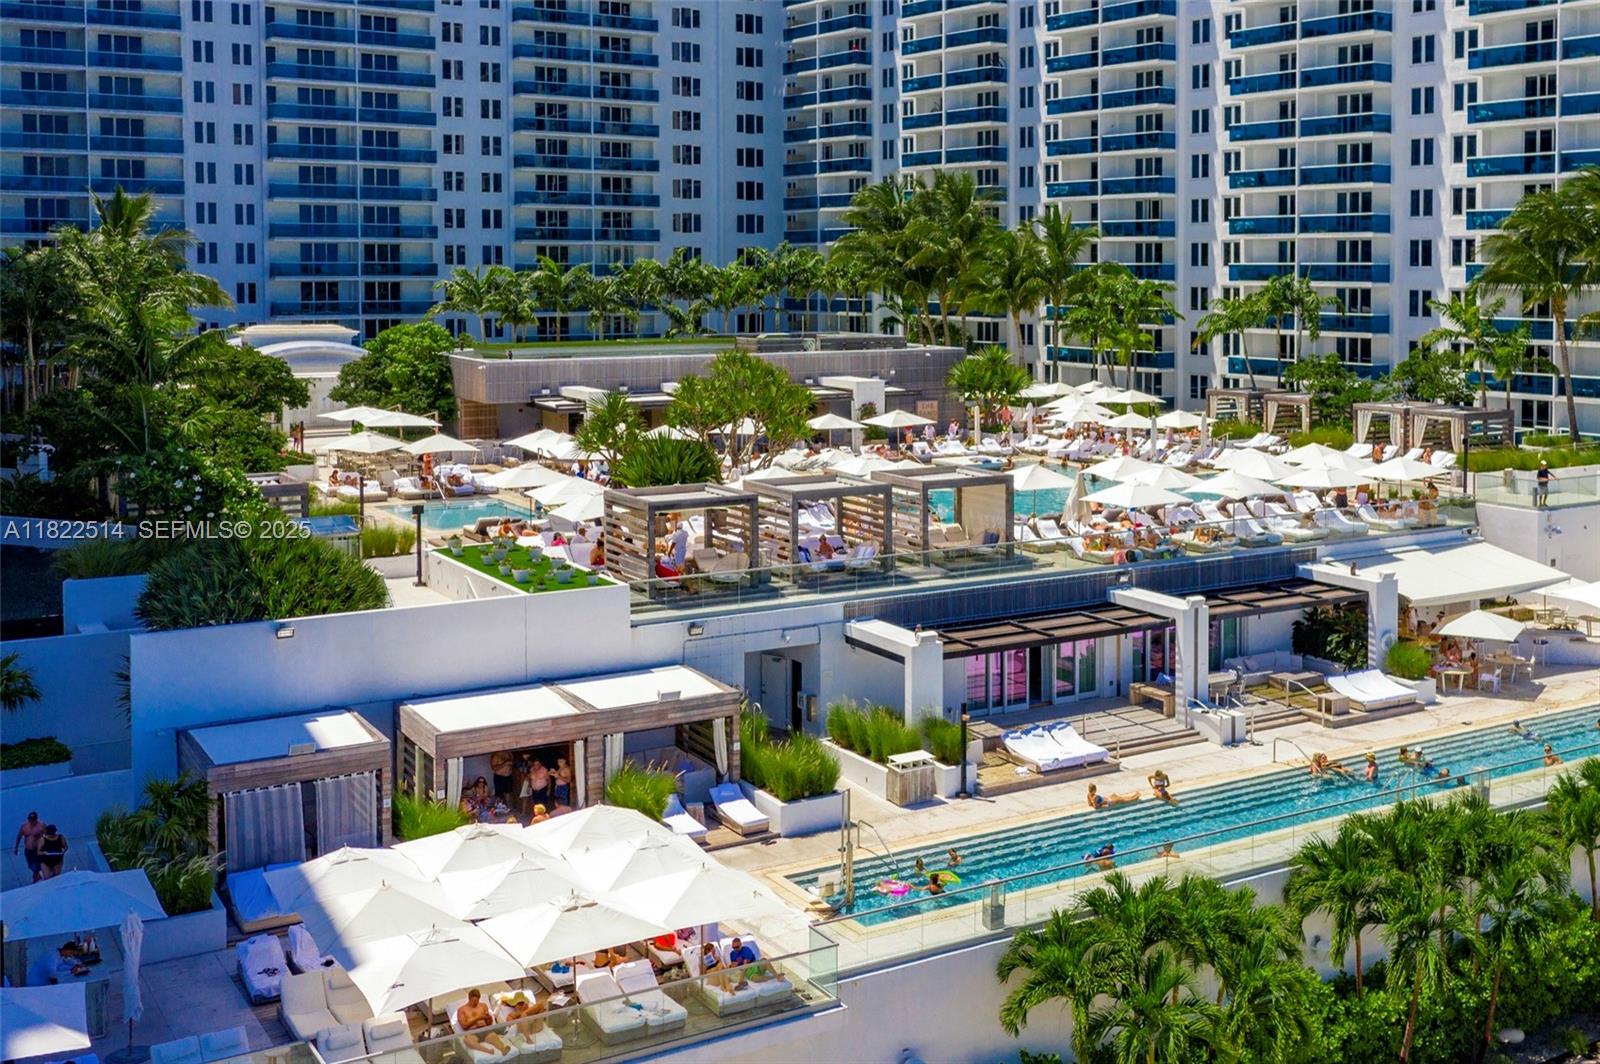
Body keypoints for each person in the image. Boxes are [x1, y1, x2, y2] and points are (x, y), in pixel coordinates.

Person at [457, 990, 514, 1057]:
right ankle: (488, 1051)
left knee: (493, 1037)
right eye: (474, 1001)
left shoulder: (483, 1006)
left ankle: (503, 1049)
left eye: (477, 1000)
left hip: (485, 1030)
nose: (476, 1003)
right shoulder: (462, 1010)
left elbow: (489, 1023)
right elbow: (464, 1026)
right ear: (469, 998)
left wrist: (488, 1018)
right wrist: (478, 1018)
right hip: (472, 1032)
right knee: (468, 1041)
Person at [13, 811, 45, 883]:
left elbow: (46, 836)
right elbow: (19, 837)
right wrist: (16, 848)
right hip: (28, 850)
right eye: (30, 820)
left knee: (35, 866)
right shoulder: (24, 826)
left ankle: (35, 879)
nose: (31, 821)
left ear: (36, 819)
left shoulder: (41, 826)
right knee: (31, 865)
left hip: (37, 849)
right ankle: (37, 875)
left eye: (33, 820)